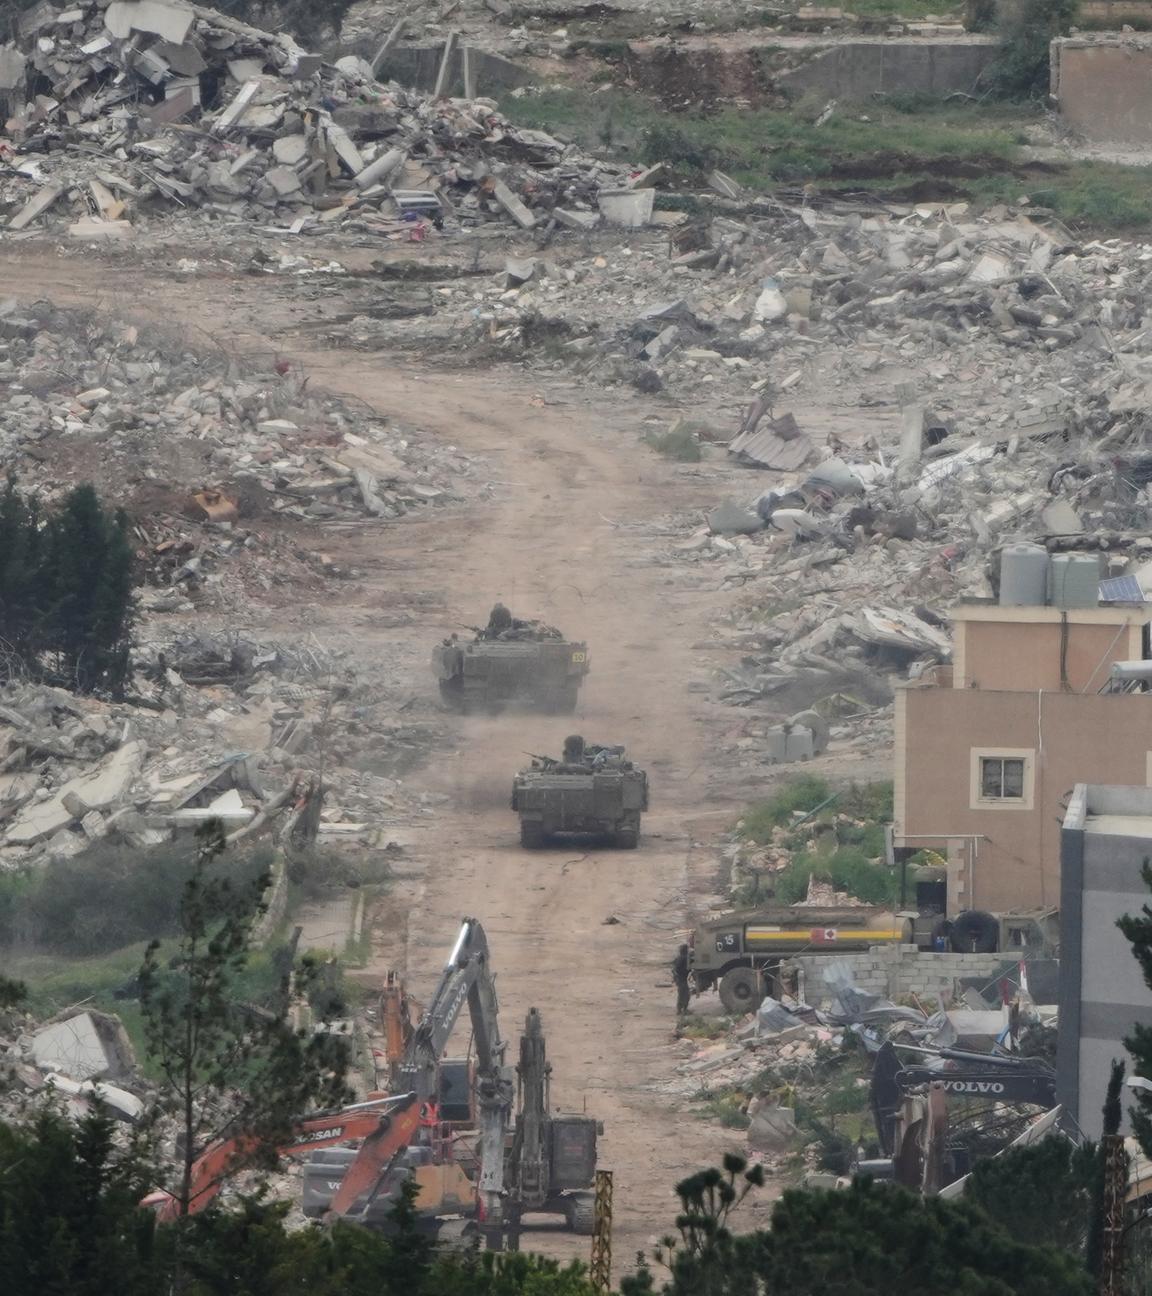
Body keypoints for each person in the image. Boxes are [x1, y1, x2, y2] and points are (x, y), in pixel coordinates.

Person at [672, 943, 692, 1016]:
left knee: (682, 994)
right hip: (681, 978)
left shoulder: (679, 958)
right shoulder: (684, 958)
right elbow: (677, 968)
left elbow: (674, 968)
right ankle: (682, 1010)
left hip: (680, 978)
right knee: (685, 994)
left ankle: (681, 1009)